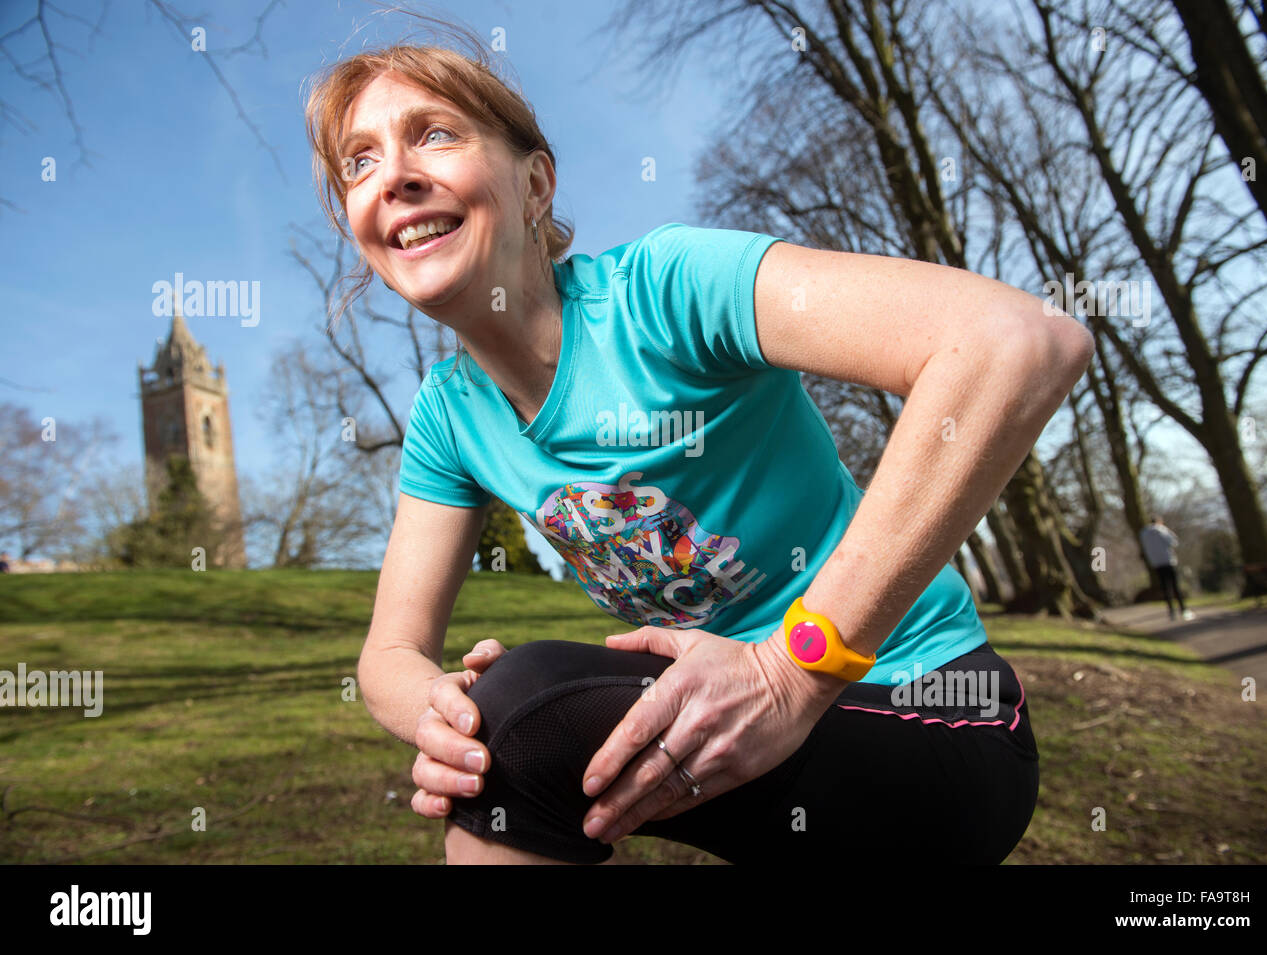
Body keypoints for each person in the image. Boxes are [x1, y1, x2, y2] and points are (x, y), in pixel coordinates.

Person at [303, 36, 1094, 865]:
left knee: (526, 713)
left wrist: (793, 671)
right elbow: (390, 653)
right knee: (500, 731)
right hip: (742, 735)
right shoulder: (447, 417)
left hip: (932, 709)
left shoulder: (664, 293)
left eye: (433, 134)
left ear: (535, 183)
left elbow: (1019, 341)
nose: (392, 175)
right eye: (358, 162)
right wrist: (450, 714)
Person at [1140, 516, 1194, 621]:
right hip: (1168, 561)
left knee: (1165, 587)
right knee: (1175, 586)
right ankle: (1183, 610)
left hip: (1156, 563)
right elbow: (1173, 542)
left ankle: (1171, 611)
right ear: (1159, 521)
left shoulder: (1144, 533)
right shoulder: (1161, 529)